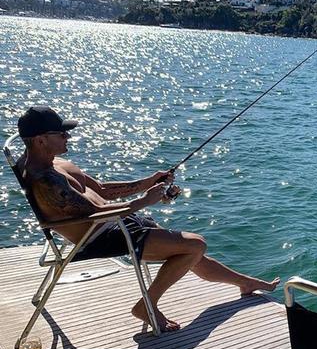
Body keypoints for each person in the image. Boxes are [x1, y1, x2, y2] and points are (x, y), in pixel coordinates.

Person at [16, 106, 280, 332]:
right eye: (60, 133)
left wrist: (148, 182)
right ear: (40, 140)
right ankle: (147, 304)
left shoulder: (56, 163)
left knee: (188, 249)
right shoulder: (44, 180)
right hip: (99, 236)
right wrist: (144, 201)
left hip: (115, 223)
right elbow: (93, 213)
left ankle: (245, 283)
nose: (67, 136)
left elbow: (103, 191)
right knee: (195, 245)